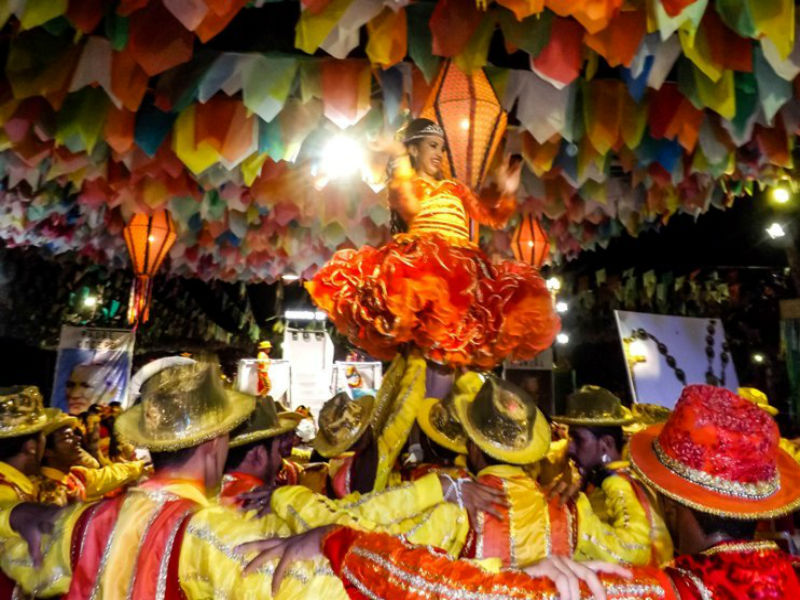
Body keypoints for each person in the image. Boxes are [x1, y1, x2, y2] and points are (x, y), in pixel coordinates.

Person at [261, 384, 800, 599]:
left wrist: (335, 536)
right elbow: (635, 545)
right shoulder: (569, 512)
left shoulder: (668, 591)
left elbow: (439, 583)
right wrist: (611, 480)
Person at [306, 117, 559, 372]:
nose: (439, 153)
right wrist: (400, 157)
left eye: (441, 147)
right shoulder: (410, 183)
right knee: (421, 341)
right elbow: (410, 206)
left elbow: (493, 217)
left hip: (463, 269)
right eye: (432, 146)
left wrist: (508, 191)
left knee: (465, 339)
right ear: (415, 149)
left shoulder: (455, 188)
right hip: (423, 266)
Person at [554, 385, 673, 566]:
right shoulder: (614, 479)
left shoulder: (616, 482)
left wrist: (574, 519)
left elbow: (633, 549)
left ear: (606, 445)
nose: (569, 447)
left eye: (577, 439)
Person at [35, 412, 145, 506]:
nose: (78, 439)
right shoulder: (46, 491)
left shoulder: (75, 475)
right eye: (67, 437)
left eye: (74, 435)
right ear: (47, 451)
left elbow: (107, 476)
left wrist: (140, 466)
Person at [220, 396, 302, 507]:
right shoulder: (262, 506)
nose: (279, 460)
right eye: (276, 451)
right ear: (258, 454)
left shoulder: (208, 494)